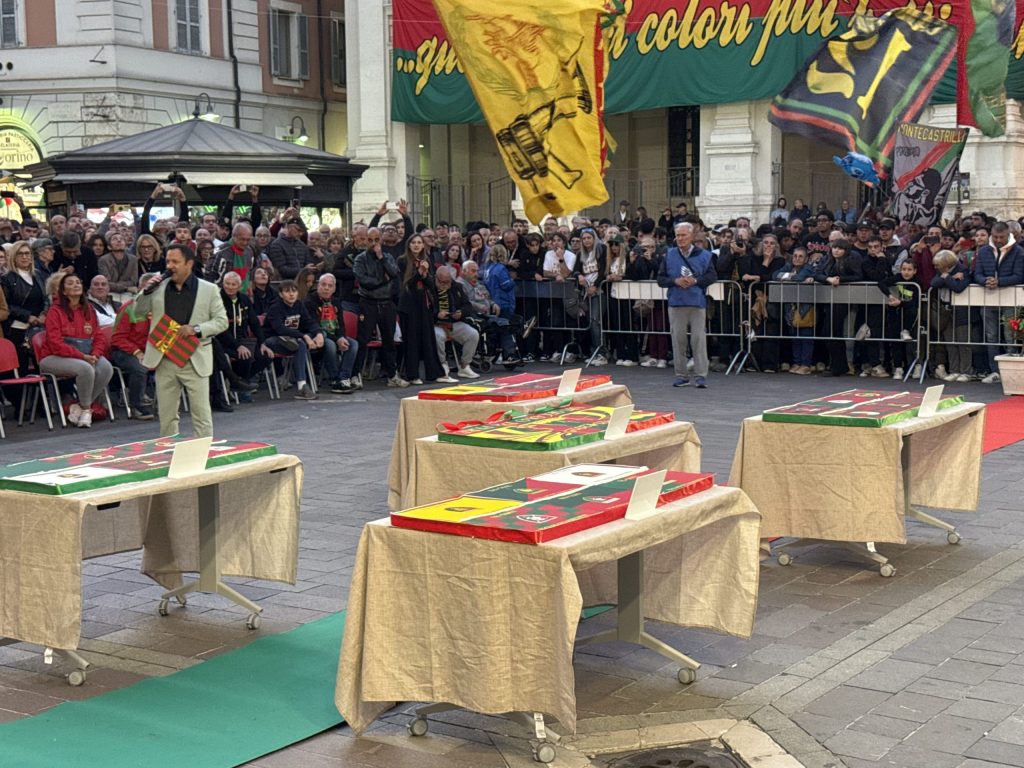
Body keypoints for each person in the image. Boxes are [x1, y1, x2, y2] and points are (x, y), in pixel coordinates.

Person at [135, 244, 230, 437]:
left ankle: (202, 450)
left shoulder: (209, 289)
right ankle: (169, 450)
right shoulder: (158, 288)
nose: (170, 266)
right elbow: (138, 312)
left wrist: (196, 329)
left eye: (175, 262)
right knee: (167, 415)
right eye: (168, 261)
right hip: (165, 357)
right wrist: (145, 292)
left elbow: (221, 321)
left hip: (195, 357)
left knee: (201, 415)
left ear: (189, 264)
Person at [38, 272, 114, 428]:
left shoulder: (89, 309)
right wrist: (82, 356)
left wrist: (95, 354)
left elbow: (98, 336)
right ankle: (86, 409)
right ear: (63, 291)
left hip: (85, 354)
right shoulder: (55, 311)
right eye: (70, 283)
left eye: (78, 282)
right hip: (53, 357)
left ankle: (79, 407)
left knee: (106, 368)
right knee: (85, 369)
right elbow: (55, 343)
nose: (75, 285)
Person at [657, 222, 715, 388]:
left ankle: (701, 375)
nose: (680, 238)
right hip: (676, 302)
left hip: (697, 302)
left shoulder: (705, 255)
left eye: (684, 235)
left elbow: (712, 276)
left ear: (691, 236)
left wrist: (695, 281)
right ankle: (681, 375)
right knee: (678, 340)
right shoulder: (669, 255)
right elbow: (660, 279)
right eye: (678, 235)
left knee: (698, 339)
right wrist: (675, 281)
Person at [353, 227, 405, 387]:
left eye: (376, 240)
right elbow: (364, 281)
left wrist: (381, 258)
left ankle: (392, 375)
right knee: (363, 340)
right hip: (368, 302)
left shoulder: (387, 257)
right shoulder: (360, 259)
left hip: (386, 302)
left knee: (389, 341)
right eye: (370, 240)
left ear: (381, 240)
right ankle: (355, 375)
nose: (373, 243)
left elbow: (394, 273)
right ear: (365, 241)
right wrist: (383, 281)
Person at [974, 221, 1024, 383]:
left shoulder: (1018, 251)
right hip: (988, 298)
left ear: (1008, 235)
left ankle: (1011, 371)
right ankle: (994, 371)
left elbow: (1019, 276)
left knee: (1010, 336)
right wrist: (985, 281)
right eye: (995, 237)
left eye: (1001, 237)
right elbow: (977, 274)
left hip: (1010, 299)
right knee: (991, 336)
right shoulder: (983, 251)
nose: (998, 240)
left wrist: (999, 281)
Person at [263, 279, 324, 400]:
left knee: (300, 344)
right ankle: (302, 386)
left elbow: (309, 322)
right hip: (273, 340)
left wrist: (319, 333)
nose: (291, 294)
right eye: (287, 292)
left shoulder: (299, 305)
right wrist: (304, 336)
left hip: (293, 339)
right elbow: (280, 329)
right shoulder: (275, 307)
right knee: (300, 343)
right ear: (281, 294)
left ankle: (302, 386)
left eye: (294, 291)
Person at [218, 271, 273, 400]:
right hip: (223, 341)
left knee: (265, 356)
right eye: (227, 283)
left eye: (233, 284)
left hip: (242, 339)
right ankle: (240, 387)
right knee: (245, 356)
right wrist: (237, 346)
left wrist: (262, 343)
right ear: (223, 284)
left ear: (239, 286)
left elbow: (254, 323)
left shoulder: (244, 299)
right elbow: (220, 329)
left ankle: (240, 380)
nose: (230, 287)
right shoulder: (217, 300)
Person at [397, 234, 444, 384]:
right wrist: (419, 273)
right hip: (409, 305)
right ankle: (413, 375)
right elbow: (406, 284)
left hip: (424, 304)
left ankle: (433, 373)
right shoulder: (402, 261)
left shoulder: (426, 260)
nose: (416, 245)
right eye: (413, 242)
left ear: (423, 245)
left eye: (419, 242)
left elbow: (431, 284)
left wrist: (425, 275)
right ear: (409, 245)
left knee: (428, 339)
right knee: (412, 340)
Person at [110, 274, 157, 420]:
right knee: (140, 368)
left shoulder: (160, 307)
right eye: (149, 287)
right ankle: (137, 405)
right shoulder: (128, 308)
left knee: (173, 362)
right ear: (139, 289)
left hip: (150, 349)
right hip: (124, 350)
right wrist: (136, 352)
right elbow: (118, 338)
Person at [303, 273, 359, 393]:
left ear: (334, 289)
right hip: (317, 335)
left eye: (330, 286)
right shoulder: (309, 302)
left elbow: (341, 324)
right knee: (330, 344)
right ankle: (334, 379)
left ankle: (343, 378)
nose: (326, 288)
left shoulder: (336, 301)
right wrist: (337, 339)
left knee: (353, 344)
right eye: (323, 285)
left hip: (334, 335)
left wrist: (342, 337)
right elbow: (315, 326)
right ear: (318, 286)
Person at [0, 240, 47, 375]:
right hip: (16, 329)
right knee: (21, 369)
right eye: (20, 254)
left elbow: (46, 298)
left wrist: (44, 314)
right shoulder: (6, 279)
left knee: (42, 367)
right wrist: (27, 316)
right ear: (13, 257)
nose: (25, 257)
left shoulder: (38, 276)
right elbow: (6, 305)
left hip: (39, 327)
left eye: (27, 253)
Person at [432, 265, 478, 381]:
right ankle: (442, 366)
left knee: (473, 334)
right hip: (435, 323)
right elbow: (423, 310)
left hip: (453, 322)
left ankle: (464, 366)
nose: (444, 285)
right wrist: (436, 314)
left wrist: (461, 313)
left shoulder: (457, 287)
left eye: (447, 282)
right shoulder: (430, 288)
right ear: (436, 278)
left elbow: (468, 306)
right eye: (441, 282)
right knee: (438, 336)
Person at [98, 232, 140, 304]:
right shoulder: (103, 260)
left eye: (122, 239)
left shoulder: (133, 259)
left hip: (129, 294)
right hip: (110, 293)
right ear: (109, 247)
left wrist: (116, 285)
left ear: (125, 245)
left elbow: (133, 281)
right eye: (115, 239)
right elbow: (106, 283)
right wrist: (126, 288)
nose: (119, 240)